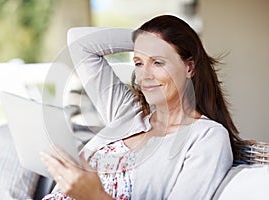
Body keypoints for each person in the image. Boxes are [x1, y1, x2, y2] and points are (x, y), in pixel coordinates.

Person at [40, 15, 242, 200]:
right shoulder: (128, 112)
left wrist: (95, 195)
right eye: (138, 62)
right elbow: (79, 42)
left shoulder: (208, 137)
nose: (144, 75)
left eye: (157, 62)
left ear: (189, 67)